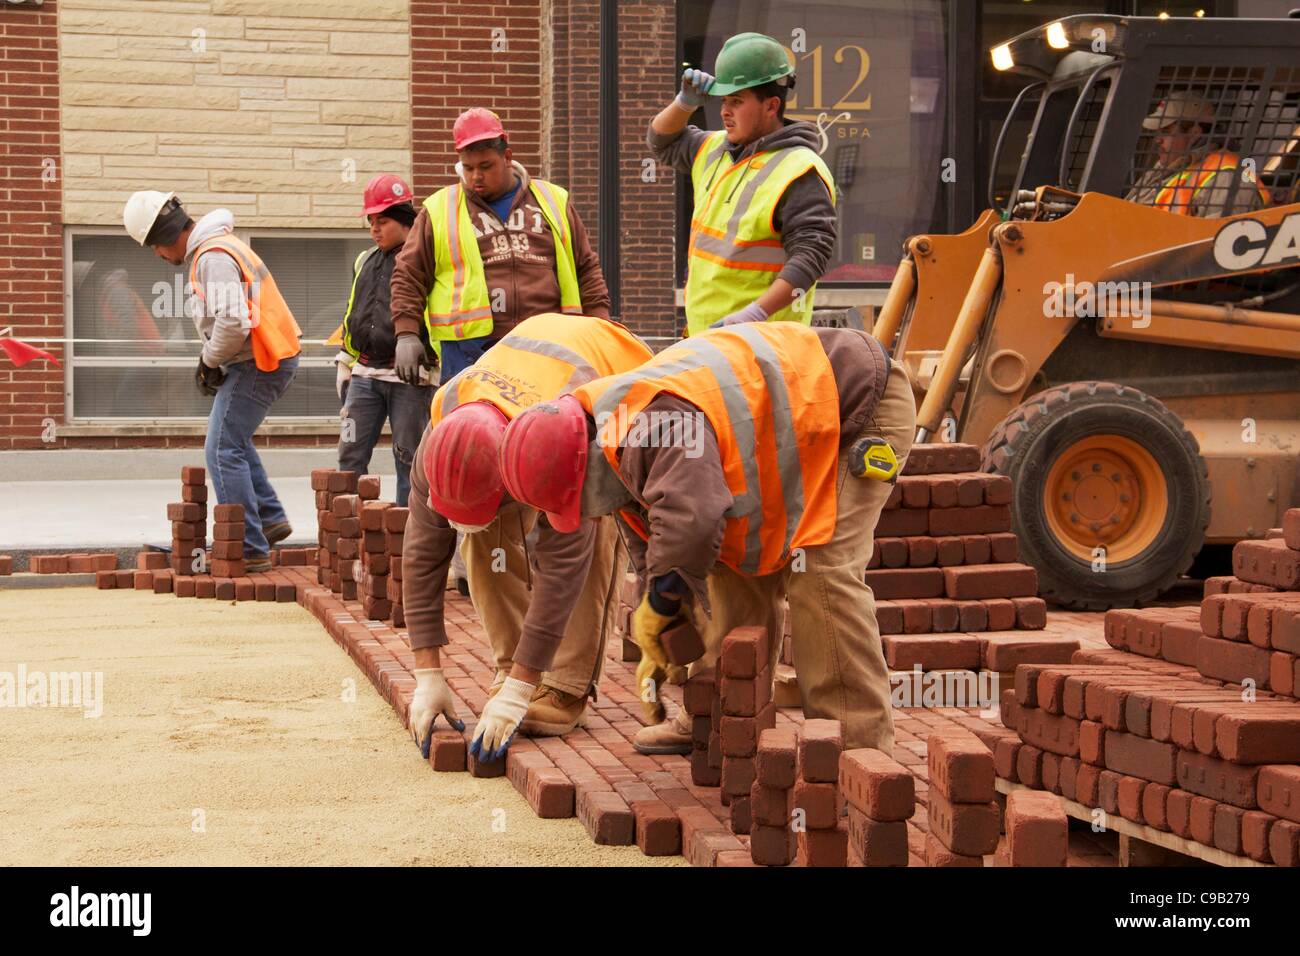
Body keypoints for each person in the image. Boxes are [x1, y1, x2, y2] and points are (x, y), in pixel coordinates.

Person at [497, 323, 917, 756]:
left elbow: (694, 520)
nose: (585, 514)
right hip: (792, 421)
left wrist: (661, 605)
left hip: (855, 406)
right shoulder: (604, 434)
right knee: (734, 569)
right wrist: (660, 621)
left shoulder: (652, 424)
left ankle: (853, 749)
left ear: (582, 468)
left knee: (819, 572)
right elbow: (652, 536)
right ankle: (722, 719)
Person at [403, 313, 653, 761]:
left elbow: (563, 569)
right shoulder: (442, 427)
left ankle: (563, 686)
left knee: (591, 530)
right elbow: (423, 553)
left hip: (613, 387)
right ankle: (512, 666)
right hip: (525, 394)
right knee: (482, 538)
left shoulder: (567, 431)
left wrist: (523, 690)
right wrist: (427, 673)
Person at [123, 191, 301, 572]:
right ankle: (268, 519)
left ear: (167, 234)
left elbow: (234, 321)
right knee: (232, 440)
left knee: (221, 448)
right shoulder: (220, 247)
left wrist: (208, 360)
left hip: (258, 359)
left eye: (154, 246)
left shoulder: (212, 257)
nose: (157, 255)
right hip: (265, 355)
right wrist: (214, 360)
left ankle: (249, 546)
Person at [389, 107, 610, 386]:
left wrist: (601, 326)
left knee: (543, 428)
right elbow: (408, 275)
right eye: (467, 168)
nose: (475, 177)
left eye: (485, 166)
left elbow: (586, 268)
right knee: (473, 429)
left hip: (549, 347)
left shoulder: (552, 200)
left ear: (507, 157)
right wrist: (406, 333)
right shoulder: (440, 209)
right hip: (470, 352)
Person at [649, 32, 837, 336]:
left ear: (771, 106)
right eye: (724, 101)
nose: (724, 111)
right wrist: (684, 104)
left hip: (763, 345)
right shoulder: (713, 149)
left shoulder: (800, 170)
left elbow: (810, 256)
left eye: (736, 102)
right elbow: (661, 141)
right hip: (705, 339)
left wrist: (756, 313)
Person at [335, 174, 433, 507]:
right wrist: (345, 361)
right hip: (364, 379)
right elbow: (353, 312)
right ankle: (348, 531)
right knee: (350, 452)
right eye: (371, 221)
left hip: (410, 380)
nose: (375, 229)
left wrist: (432, 363)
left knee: (409, 459)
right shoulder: (364, 260)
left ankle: (405, 537)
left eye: (383, 221)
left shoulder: (424, 259)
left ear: (405, 221)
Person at [1125, 90, 1269, 217]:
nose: (1157, 140)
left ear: (1194, 133)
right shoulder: (1169, 167)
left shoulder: (1228, 176)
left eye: (1166, 131)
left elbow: (1215, 241)